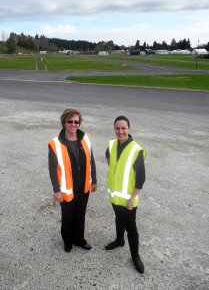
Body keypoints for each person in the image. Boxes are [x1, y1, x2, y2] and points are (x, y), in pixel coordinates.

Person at [48, 108, 97, 252]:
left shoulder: (85, 138)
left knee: (80, 214)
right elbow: (52, 169)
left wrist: (94, 180)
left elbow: (91, 159)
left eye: (76, 122)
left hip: (83, 186)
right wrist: (56, 190)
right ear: (64, 122)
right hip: (66, 188)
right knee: (68, 216)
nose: (73, 125)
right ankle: (67, 241)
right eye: (70, 121)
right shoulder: (55, 143)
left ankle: (79, 239)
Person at [105, 115, 146, 274]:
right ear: (114, 129)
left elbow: (141, 179)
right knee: (118, 218)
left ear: (129, 129)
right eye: (117, 128)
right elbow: (108, 158)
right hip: (115, 196)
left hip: (129, 199)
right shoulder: (111, 144)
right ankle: (119, 240)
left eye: (123, 128)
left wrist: (132, 198)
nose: (120, 131)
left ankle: (135, 256)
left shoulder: (136, 150)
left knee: (131, 228)